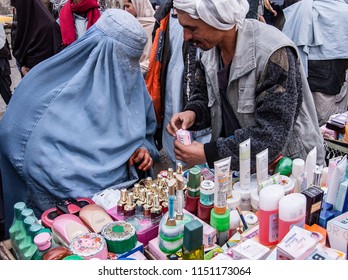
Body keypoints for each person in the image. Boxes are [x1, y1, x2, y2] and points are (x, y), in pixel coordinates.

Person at [0, 8, 159, 239]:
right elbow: (17, 142)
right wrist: (80, 195)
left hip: (119, 214)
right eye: (122, 60)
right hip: (59, 220)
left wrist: (144, 150)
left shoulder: (131, 83)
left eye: (133, 61)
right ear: (99, 50)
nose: (127, 69)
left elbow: (145, 132)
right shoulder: (45, 87)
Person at [167, 0, 325, 171]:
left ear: (216, 19)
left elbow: (271, 136)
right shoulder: (209, 51)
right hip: (240, 168)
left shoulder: (273, 54)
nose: (186, 37)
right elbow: (205, 95)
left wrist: (209, 153)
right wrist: (193, 113)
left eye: (192, 28)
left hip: (284, 168)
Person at [281, 0, 348, 127]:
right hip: (329, 74)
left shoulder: (296, 10)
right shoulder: (344, 11)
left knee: (305, 119)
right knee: (325, 121)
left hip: (301, 69)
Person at [10, 0, 62, 77]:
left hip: (44, 74)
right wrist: (22, 66)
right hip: (30, 73)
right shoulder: (28, 22)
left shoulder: (46, 26)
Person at [124, 0, 156, 76]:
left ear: (138, 5)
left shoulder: (153, 26)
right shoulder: (129, 25)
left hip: (146, 75)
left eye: (128, 6)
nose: (125, 10)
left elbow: (153, 57)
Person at [0, 24, 12, 105]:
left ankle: (11, 104)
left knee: (5, 82)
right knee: (4, 83)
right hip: (2, 53)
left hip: (2, 53)